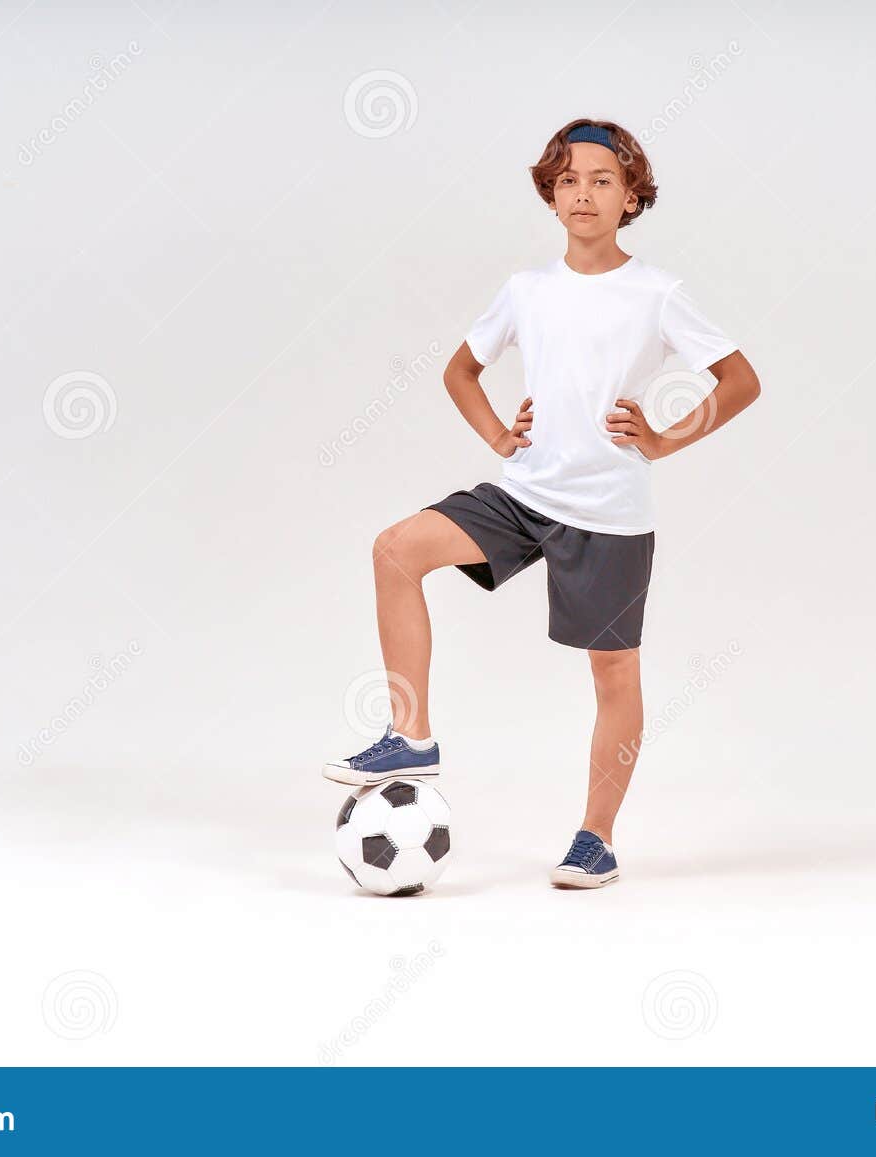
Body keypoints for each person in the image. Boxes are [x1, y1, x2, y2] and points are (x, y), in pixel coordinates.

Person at [323, 118, 761, 889]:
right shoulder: (526, 291)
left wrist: (661, 439)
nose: (583, 193)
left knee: (614, 675)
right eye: (567, 180)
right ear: (550, 195)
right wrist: (500, 434)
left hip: (609, 513)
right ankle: (410, 732)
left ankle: (597, 838)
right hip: (523, 494)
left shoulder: (658, 293)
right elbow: (461, 370)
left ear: (631, 196)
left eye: (601, 180)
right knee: (396, 549)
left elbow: (740, 381)